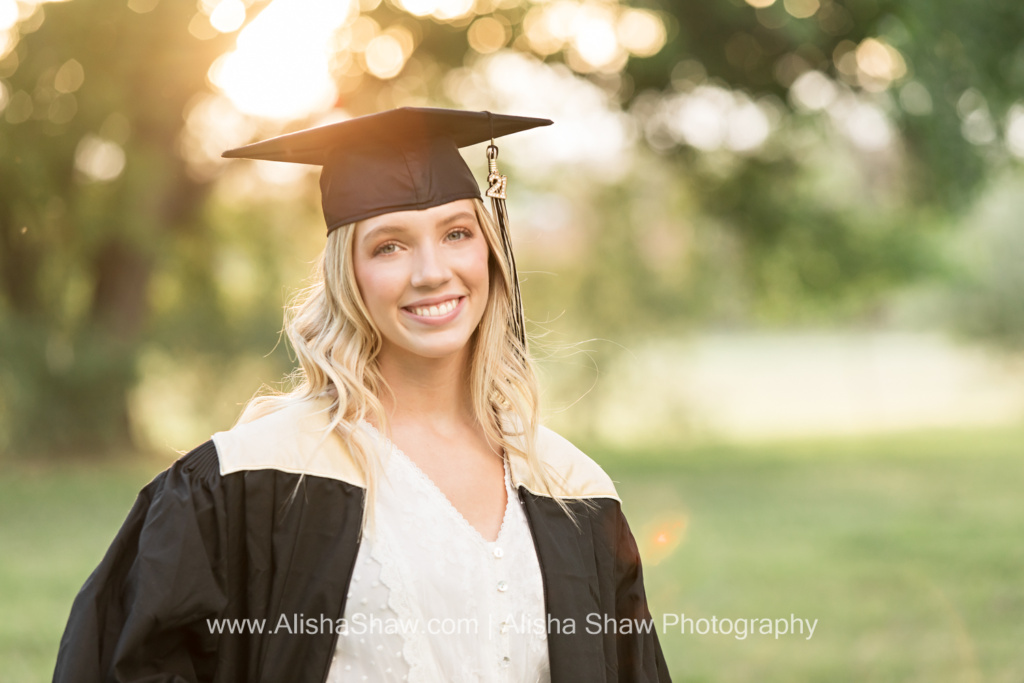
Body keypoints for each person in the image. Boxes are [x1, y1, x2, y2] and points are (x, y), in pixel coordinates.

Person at [52, 107, 671, 682]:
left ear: (490, 249)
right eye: (390, 245)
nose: (432, 271)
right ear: (347, 274)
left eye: (456, 233)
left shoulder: (571, 487)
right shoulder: (251, 477)